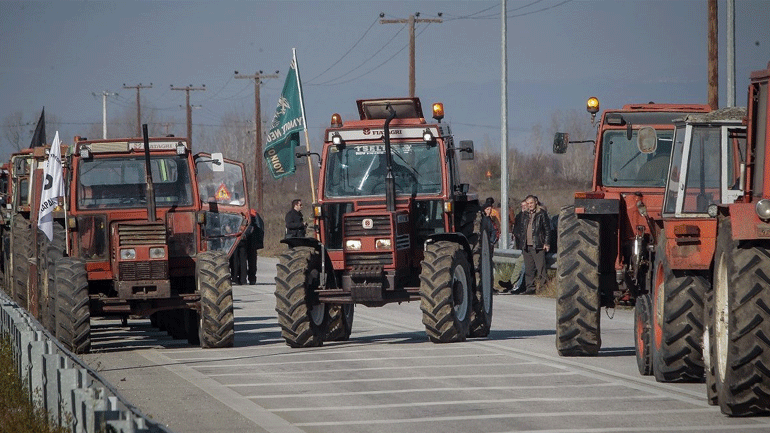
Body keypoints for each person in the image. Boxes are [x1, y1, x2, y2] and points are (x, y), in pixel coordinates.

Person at [513, 194, 552, 295]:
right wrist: (521, 242)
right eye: (528, 203)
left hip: (538, 245)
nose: (530, 205)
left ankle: (543, 289)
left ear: (535, 203)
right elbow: (521, 229)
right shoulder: (524, 215)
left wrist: (546, 243)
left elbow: (547, 230)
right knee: (528, 269)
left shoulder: (541, 214)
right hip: (526, 246)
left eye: (531, 203)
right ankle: (530, 288)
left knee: (541, 268)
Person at [246, 209, 264, 285]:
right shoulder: (254, 213)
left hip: (249, 241)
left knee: (246, 260)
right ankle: (252, 278)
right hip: (253, 241)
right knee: (252, 261)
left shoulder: (253, 213)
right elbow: (260, 227)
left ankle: (242, 278)